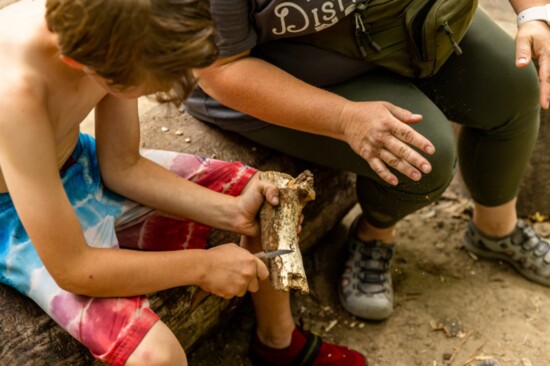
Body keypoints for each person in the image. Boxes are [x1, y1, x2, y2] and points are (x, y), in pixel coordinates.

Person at [0, 0, 366, 365]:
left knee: (266, 197)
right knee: (157, 358)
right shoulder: (15, 95)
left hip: (77, 162)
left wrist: (234, 212)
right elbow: (74, 269)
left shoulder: (117, 25)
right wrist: (203, 266)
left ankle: (278, 341)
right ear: (82, 63)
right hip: (14, 214)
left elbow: (122, 166)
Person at [184, 0, 550, 322]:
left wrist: (534, 13)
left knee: (515, 87)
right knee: (421, 154)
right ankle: (374, 234)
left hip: (390, 21)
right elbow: (221, 70)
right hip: (279, 69)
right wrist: (343, 118)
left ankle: (496, 231)